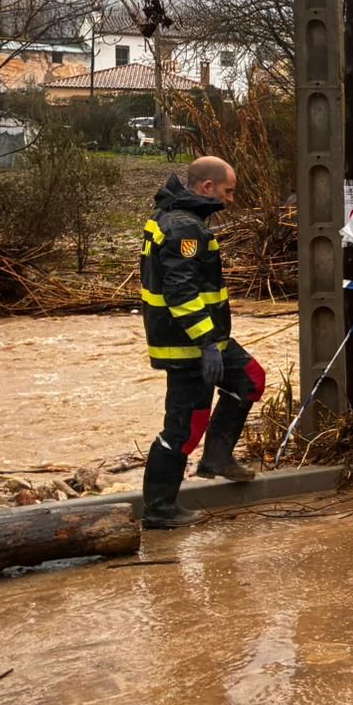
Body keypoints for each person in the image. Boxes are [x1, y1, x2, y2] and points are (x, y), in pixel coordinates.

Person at [138, 156, 265, 529]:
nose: (229, 200)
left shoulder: (177, 217)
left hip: (205, 338)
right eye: (228, 192)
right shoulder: (184, 228)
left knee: (249, 379)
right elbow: (180, 292)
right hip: (189, 345)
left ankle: (217, 459)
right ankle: (159, 510)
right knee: (184, 427)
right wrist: (208, 343)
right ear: (207, 187)